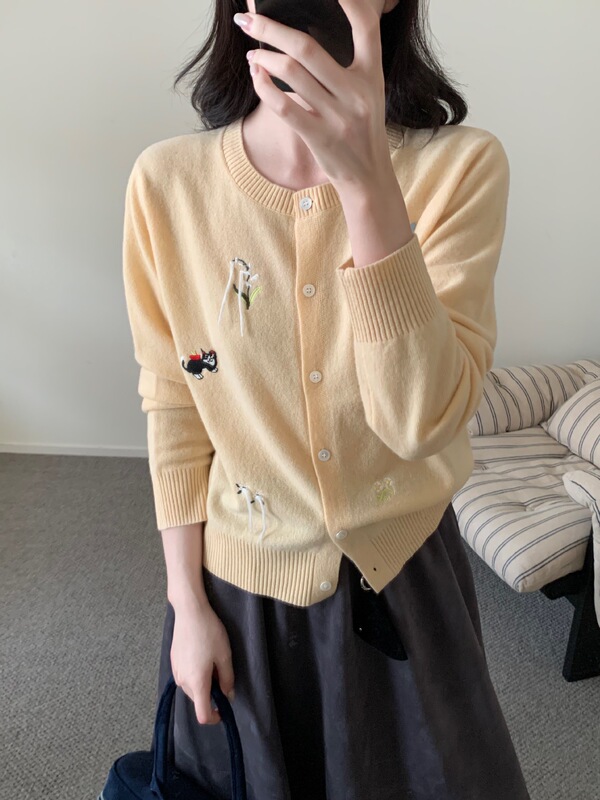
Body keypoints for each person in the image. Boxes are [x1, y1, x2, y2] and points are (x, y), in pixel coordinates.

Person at [121, 0, 532, 797]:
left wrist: (366, 180)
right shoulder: (166, 184)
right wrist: (186, 604)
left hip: (406, 581)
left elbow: (419, 422)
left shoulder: (461, 168)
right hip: (239, 590)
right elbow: (174, 401)